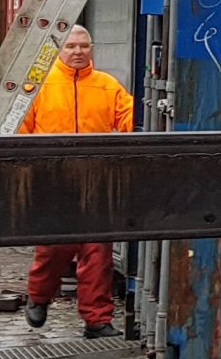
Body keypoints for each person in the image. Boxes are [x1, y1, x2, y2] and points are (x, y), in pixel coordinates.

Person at [18, 25, 135, 337]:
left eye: (84, 46)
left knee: (97, 251)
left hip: (94, 181)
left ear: (91, 48)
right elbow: (20, 133)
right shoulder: (39, 86)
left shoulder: (108, 86)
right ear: (59, 49)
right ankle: (39, 296)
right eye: (71, 46)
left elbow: (131, 121)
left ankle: (97, 320)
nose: (78, 52)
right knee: (54, 248)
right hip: (52, 181)